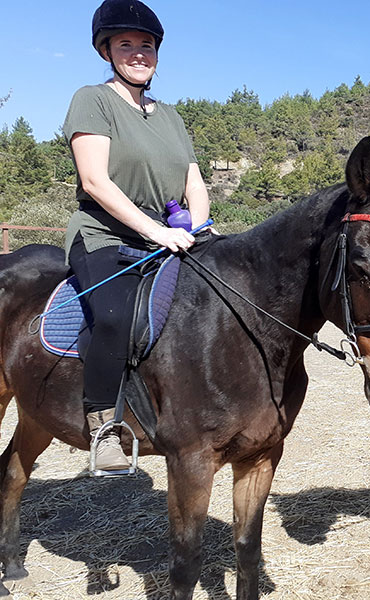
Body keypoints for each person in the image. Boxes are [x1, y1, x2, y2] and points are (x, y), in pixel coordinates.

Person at [63, 0, 210, 471]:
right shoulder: (93, 99)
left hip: (167, 233)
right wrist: (155, 231)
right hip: (104, 234)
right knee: (112, 315)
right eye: (125, 44)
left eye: (146, 44)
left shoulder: (170, 116)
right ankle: (103, 425)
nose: (138, 52)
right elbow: (95, 182)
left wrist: (198, 224)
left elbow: (193, 181)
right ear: (107, 50)